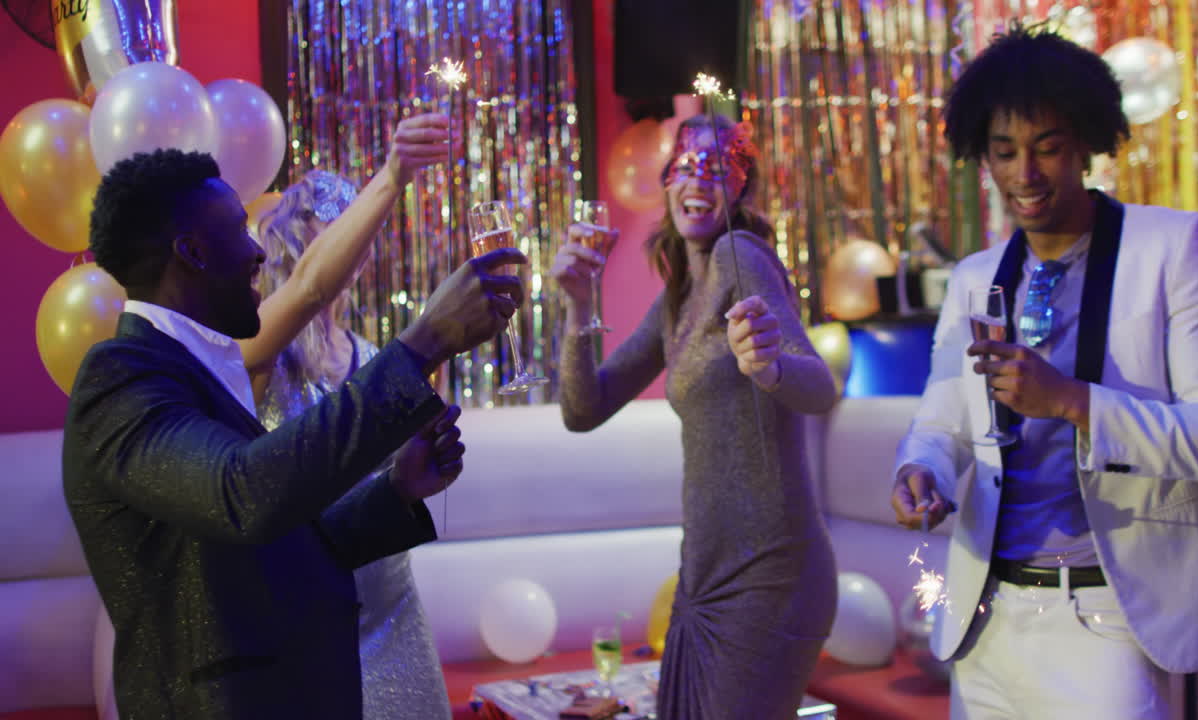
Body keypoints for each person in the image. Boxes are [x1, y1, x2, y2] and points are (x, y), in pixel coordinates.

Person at [63, 147, 525, 719]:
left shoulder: (205, 369)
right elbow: (243, 495)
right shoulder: (120, 376)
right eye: (238, 229)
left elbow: (278, 550)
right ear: (192, 252)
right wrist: (424, 341)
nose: (259, 251)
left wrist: (397, 491)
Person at [890, 27, 1198, 719]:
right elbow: (941, 424)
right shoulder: (974, 278)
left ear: (1086, 142)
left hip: (1108, 621)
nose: (1024, 173)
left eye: (1047, 147)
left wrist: (1073, 401)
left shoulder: (1174, 248)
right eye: (1004, 152)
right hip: (985, 621)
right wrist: (921, 471)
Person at [551, 114, 838, 719]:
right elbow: (583, 410)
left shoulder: (740, 254)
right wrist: (578, 309)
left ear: (740, 188)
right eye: (685, 165)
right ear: (666, 180)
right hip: (702, 580)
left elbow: (820, 387)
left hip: (768, 578)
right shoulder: (678, 298)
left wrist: (770, 369)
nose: (698, 180)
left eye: (716, 168)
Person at [246, 113, 455, 719]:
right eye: (336, 227)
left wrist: (420, 458)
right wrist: (394, 174)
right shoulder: (262, 355)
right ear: (296, 243)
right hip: (302, 610)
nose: (357, 241)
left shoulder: (371, 356)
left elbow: (393, 485)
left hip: (391, 603)